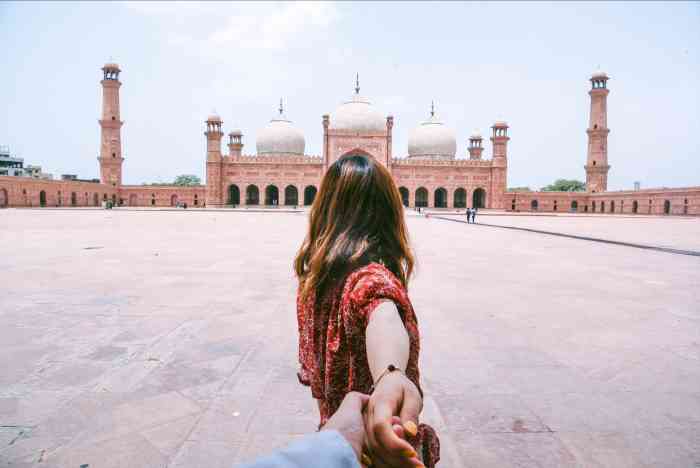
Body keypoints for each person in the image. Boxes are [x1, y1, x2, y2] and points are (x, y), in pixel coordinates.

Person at [294, 154, 440, 467]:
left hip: (335, 444)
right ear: (389, 212)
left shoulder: (312, 285)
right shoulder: (371, 277)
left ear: (325, 209)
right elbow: (381, 310)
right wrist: (392, 375)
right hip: (380, 450)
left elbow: (380, 315)